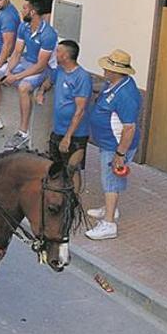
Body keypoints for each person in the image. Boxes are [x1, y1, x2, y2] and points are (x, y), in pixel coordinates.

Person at [0, 0, 58, 150]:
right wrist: (8, 71)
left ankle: (23, 132)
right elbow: (17, 52)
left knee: (24, 87)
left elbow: (40, 65)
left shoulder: (49, 34)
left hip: (40, 68)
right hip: (24, 61)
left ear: (33, 11)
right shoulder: (24, 27)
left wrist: (15, 77)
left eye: (24, 8)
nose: (22, 10)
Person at [85, 49, 142, 241]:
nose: (104, 70)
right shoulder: (115, 84)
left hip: (115, 145)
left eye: (107, 68)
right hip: (108, 142)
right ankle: (110, 208)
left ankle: (109, 223)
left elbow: (129, 128)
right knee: (109, 180)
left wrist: (120, 153)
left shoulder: (126, 94)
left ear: (116, 71)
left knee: (110, 181)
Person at [35, 40, 91, 168]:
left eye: (58, 51)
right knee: (55, 167)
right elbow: (49, 82)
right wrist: (41, 91)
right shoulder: (59, 70)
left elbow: (80, 110)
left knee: (72, 170)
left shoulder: (82, 77)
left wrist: (68, 137)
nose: (55, 54)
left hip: (75, 135)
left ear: (65, 56)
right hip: (58, 130)